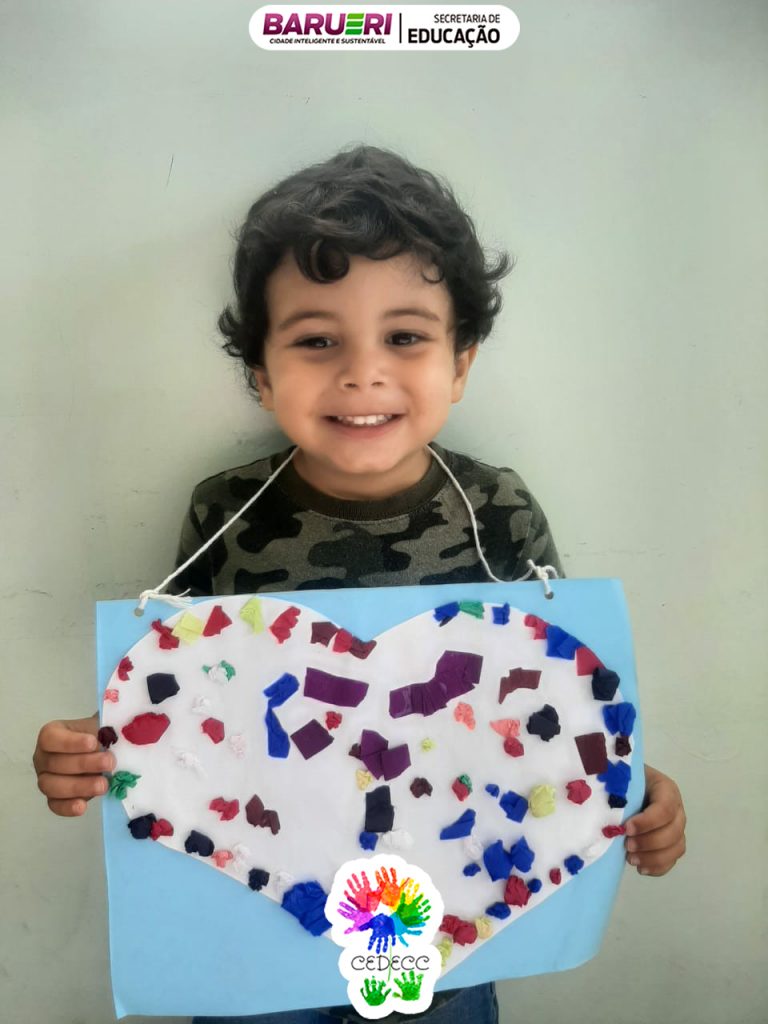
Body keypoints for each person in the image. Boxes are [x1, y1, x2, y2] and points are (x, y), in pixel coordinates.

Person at [33, 146, 686, 1024]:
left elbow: (564, 706)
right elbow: (177, 703)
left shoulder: (499, 510)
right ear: (261, 373)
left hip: (448, 941)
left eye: (405, 336)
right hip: (254, 940)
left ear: (461, 363)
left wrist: (636, 787)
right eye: (316, 340)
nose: (363, 372)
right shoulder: (226, 513)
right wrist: (94, 750)